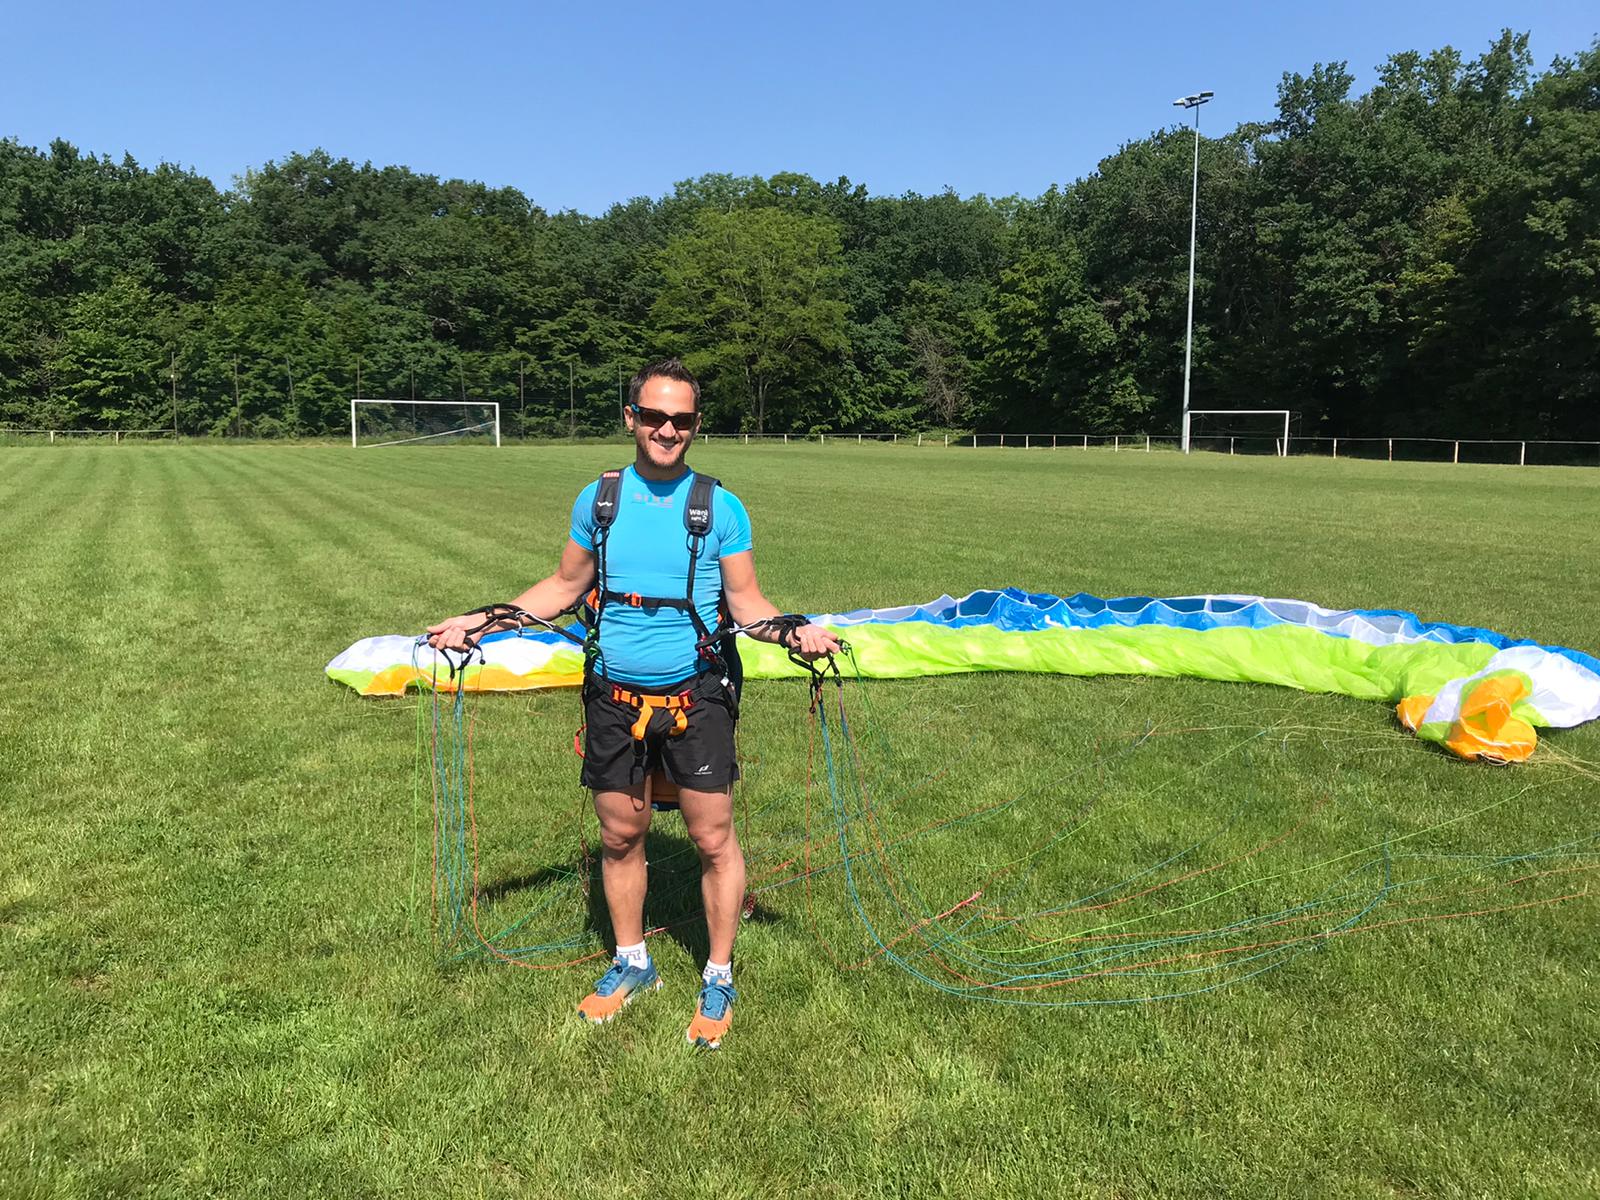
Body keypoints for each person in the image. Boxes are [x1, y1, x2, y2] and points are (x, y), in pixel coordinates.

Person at [426, 358, 839, 1049]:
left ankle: (718, 973)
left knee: (712, 838)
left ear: (695, 426)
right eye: (653, 417)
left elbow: (747, 605)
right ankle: (632, 963)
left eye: (680, 420)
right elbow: (561, 588)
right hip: (613, 699)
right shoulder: (601, 501)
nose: (666, 430)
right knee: (620, 835)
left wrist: (796, 630)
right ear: (631, 419)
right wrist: (480, 621)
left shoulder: (719, 507)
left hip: (697, 696)